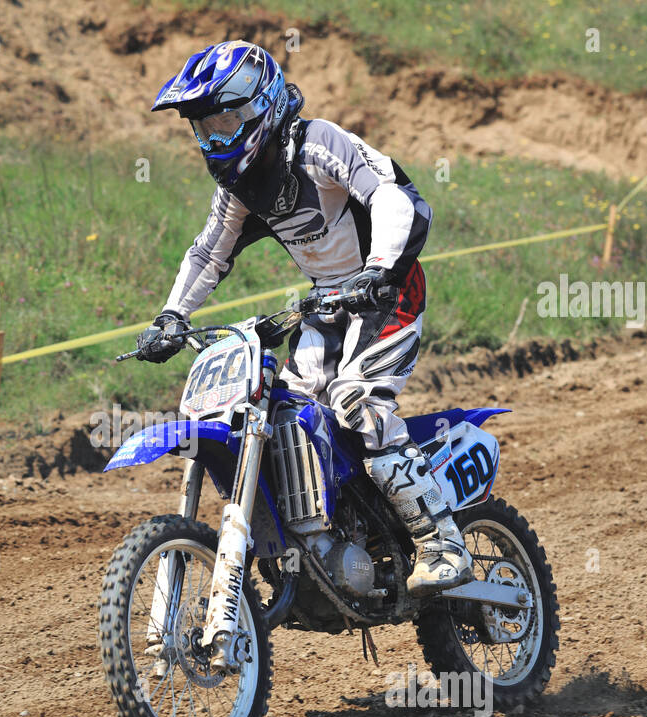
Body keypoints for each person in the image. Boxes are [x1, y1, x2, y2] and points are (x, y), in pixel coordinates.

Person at [137, 40, 470, 595]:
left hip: (387, 291)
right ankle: (322, 537)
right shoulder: (240, 186)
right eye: (204, 128)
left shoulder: (317, 145)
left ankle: (443, 543)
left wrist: (379, 268)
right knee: (282, 413)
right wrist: (172, 316)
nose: (215, 138)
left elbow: (391, 196)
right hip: (324, 307)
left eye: (224, 121)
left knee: (357, 402)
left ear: (260, 107)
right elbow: (208, 252)